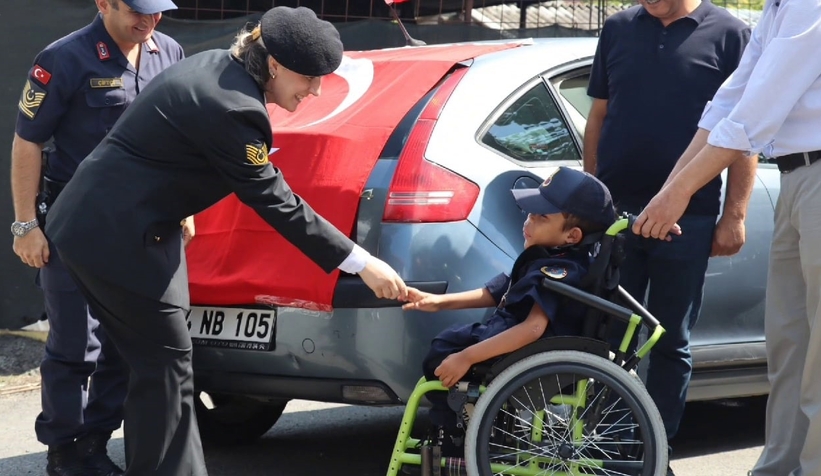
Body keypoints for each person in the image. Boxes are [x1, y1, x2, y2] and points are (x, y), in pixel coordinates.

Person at [41, 6, 408, 475]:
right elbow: (276, 200)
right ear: (274, 64)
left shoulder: (217, 67)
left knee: (160, 368)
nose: (315, 91)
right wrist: (361, 262)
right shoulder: (234, 107)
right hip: (114, 236)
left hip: (131, 229)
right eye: (309, 78)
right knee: (166, 369)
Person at [632, 0, 821, 474]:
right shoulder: (778, 9)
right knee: (789, 344)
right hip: (797, 178)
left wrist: (677, 194)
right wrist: (667, 192)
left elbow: (753, 116)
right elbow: (727, 103)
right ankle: (779, 467)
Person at [9, 1, 185, 475]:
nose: (150, 21)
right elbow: (28, 141)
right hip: (76, 223)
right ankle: (64, 450)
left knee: (124, 344)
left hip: (142, 226)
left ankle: (94, 441)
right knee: (74, 344)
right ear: (104, 3)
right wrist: (26, 225)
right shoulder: (62, 59)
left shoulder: (168, 51)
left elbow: (178, 135)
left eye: (159, 10)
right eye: (138, 10)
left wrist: (181, 206)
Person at [583, 0, 753, 465]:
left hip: (691, 218)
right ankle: (606, 453)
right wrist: (591, 200)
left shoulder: (730, 33)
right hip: (617, 216)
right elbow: (598, 115)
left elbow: (743, 132)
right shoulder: (618, 28)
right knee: (608, 339)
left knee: (669, 341)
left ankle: (653, 453)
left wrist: (734, 215)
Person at [402, 166, 616, 457]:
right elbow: (494, 293)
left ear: (572, 235)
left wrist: (467, 357)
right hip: (517, 346)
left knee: (445, 349)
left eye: (542, 217)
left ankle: (459, 433)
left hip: (527, 353)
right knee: (448, 344)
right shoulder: (546, 259)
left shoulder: (560, 271)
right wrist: (438, 301)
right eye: (530, 213)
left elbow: (533, 329)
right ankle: (473, 423)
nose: (529, 221)